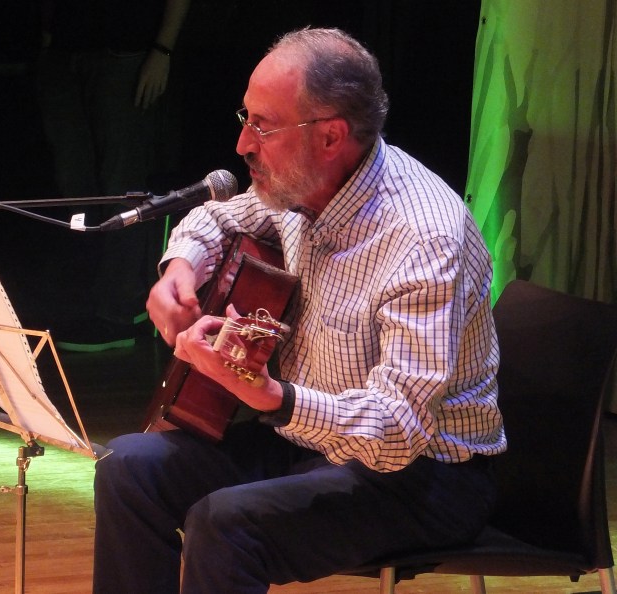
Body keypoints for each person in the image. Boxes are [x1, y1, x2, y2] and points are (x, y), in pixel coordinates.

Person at [92, 27, 507, 593]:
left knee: (224, 523)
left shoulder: (425, 238)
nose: (243, 144)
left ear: (331, 136)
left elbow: (398, 429)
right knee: (127, 469)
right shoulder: (303, 185)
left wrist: (273, 396)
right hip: (305, 444)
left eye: (263, 126)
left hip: (422, 477)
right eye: (246, 117)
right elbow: (218, 216)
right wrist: (180, 269)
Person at [35, 0, 191, 352]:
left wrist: (162, 50)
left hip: (125, 52)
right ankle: (86, 304)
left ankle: (118, 312)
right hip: (66, 49)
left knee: (123, 184)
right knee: (76, 188)